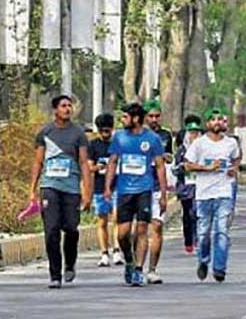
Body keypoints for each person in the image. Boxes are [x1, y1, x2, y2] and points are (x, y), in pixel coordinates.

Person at [28, 95, 91, 289]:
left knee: (71, 228)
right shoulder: (45, 132)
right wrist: (32, 190)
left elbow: (83, 162)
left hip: (71, 188)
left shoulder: (78, 133)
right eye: (63, 106)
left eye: (69, 106)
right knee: (51, 231)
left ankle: (70, 263)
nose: (67, 109)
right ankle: (55, 274)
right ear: (55, 110)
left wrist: (87, 191)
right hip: (50, 187)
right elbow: (38, 162)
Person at [104, 103, 167, 287]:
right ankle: (129, 260)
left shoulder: (152, 139)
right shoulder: (119, 138)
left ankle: (139, 269)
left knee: (141, 230)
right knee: (123, 234)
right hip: (124, 191)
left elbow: (161, 166)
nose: (123, 120)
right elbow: (113, 162)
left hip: (144, 191)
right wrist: (108, 187)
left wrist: (163, 194)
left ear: (136, 118)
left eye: (125, 117)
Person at [184, 108, 241, 282]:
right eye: (213, 119)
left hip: (224, 192)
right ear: (207, 124)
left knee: (222, 231)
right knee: (203, 233)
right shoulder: (199, 144)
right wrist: (206, 168)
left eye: (219, 119)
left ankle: (219, 268)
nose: (217, 122)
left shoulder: (230, 143)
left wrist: (234, 168)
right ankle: (203, 260)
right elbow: (187, 165)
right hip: (204, 194)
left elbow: (237, 158)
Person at [143, 99, 174, 284]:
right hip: (137, 186)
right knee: (137, 231)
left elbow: (169, 157)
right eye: (151, 116)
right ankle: (135, 264)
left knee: (157, 226)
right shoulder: (137, 135)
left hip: (156, 186)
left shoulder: (165, 135)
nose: (154, 119)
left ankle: (152, 269)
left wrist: (165, 157)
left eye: (157, 115)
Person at [88, 113, 123, 267]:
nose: (105, 134)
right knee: (102, 220)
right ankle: (104, 253)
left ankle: (117, 250)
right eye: (102, 131)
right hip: (99, 187)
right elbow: (89, 166)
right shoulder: (93, 145)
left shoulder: (118, 144)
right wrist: (98, 167)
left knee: (117, 218)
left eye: (108, 131)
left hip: (118, 185)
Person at [173, 115, 203, 254]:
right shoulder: (182, 150)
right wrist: (183, 167)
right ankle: (188, 241)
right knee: (187, 214)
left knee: (197, 213)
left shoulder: (204, 148)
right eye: (191, 133)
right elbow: (176, 167)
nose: (194, 135)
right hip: (185, 187)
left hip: (200, 186)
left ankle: (198, 240)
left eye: (196, 132)